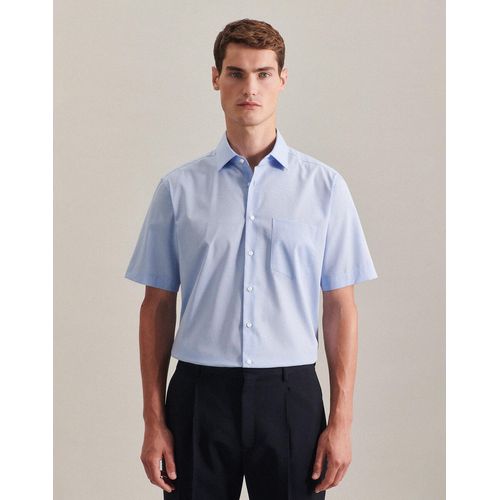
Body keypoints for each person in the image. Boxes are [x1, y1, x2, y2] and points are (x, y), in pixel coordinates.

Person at [124, 18, 378, 500]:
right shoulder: (178, 190)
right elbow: (156, 305)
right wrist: (153, 421)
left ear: (283, 79)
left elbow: (340, 306)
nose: (250, 88)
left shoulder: (325, 188)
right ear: (215, 78)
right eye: (236, 73)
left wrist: (341, 421)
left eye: (263, 74)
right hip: (199, 396)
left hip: (290, 396)